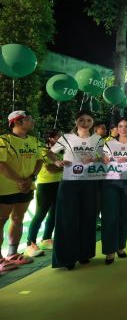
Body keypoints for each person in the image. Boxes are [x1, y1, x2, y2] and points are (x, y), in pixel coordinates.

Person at [50, 110, 104, 270]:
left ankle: (84, 254)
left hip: (90, 182)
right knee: (67, 219)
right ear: (76, 121)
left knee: (88, 217)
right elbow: (51, 154)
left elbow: (103, 158)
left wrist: (95, 159)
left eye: (88, 120)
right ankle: (67, 258)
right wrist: (58, 162)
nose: (85, 123)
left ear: (92, 122)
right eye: (81, 120)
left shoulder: (98, 139)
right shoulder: (66, 137)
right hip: (69, 182)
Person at [0, 111, 43, 271]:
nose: (32, 121)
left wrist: (31, 178)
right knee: (1, 220)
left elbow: (39, 160)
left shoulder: (34, 141)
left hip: (26, 186)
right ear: (17, 122)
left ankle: (12, 254)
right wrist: (19, 181)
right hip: (5, 188)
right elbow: (1, 164)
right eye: (28, 119)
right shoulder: (4, 140)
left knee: (18, 219)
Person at [101, 117, 127, 264]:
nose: (123, 129)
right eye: (120, 126)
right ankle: (109, 250)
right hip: (111, 183)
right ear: (116, 129)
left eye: (126, 126)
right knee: (110, 216)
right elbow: (103, 161)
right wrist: (106, 160)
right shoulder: (108, 144)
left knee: (124, 215)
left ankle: (120, 247)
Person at [24, 129, 63, 258]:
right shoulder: (43, 151)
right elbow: (51, 169)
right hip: (45, 186)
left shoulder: (57, 153)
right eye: (58, 137)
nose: (61, 139)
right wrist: (67, 167)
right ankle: (30, 244)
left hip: (58, 184)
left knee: (54, 214)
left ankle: (46, 239)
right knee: (40, 215)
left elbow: (59, 168)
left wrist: (64, 167)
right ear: (50, 138)